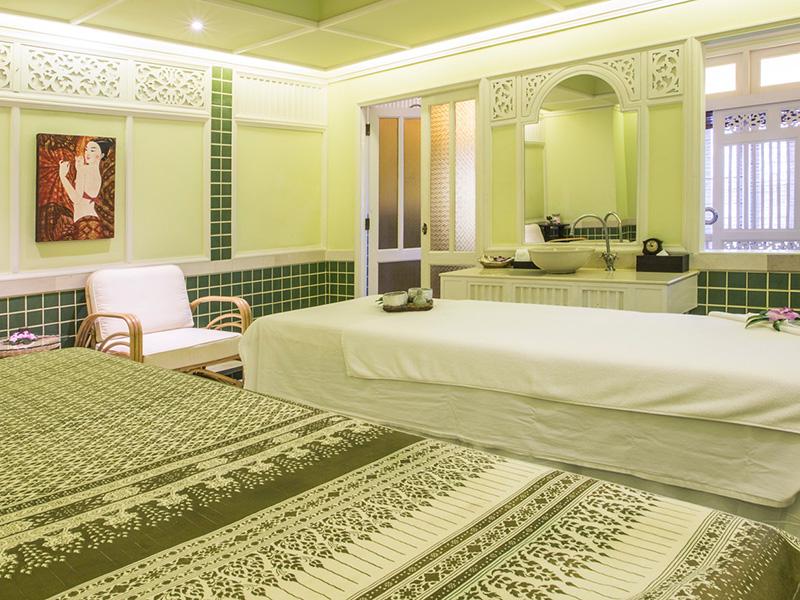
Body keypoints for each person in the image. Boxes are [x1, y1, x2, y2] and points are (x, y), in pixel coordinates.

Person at [58, 138, 113, 240]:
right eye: (86, 149)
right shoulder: (97, 172)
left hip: (83, 220)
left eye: (92, 150)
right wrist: (79, 169)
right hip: (94, 219)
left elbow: (76, 199)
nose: (87, 153)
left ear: (101, 155)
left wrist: (62, 177)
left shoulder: (84, 170)